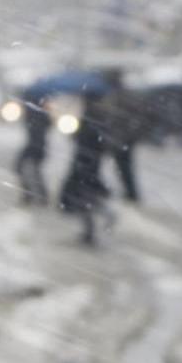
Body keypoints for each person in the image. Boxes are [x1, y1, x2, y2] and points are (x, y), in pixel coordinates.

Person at [59, 92, 113, 246]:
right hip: (88, 164)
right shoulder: (98, 117)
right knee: (87, 199)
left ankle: (94, 228)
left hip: (85, 164)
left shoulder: (92, 118)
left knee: (85, 199)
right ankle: (92, 229)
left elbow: (87, 139)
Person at [103, 70, 144, 204]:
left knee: (124, 167)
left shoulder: (118, 96)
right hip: (122, 138)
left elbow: (121, 119)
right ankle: (130, 192)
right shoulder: (117, 95)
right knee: (123, 167)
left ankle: (131, 193)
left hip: (123, 139)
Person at [14, 96, 51, 205]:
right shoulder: (41, 113)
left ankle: (31, 195)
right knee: (35, 171)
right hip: (38, 146)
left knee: (21, 167)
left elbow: (36, 129)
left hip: (35, 146)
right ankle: (39, 196)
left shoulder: (34, 113)